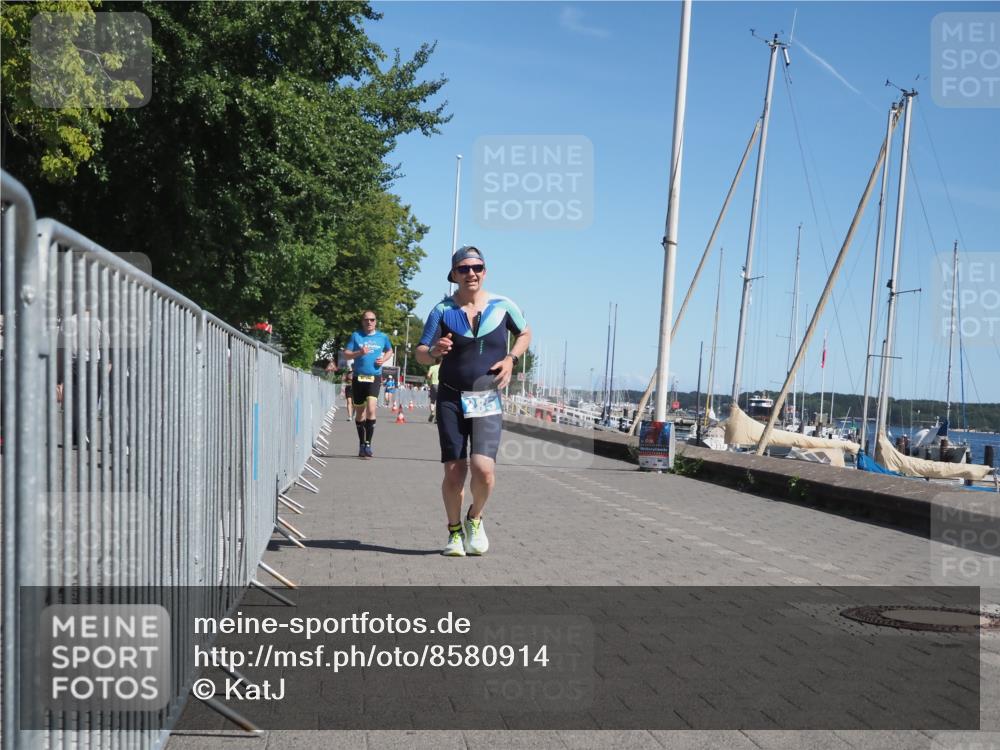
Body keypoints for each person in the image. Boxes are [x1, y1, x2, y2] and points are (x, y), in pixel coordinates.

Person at [416, 246, 531, 556]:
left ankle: (474, 518)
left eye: (477, 267)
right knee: (455, 472)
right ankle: (454, 533)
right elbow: (420, 353)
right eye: (464, 269)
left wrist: (510, 359)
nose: (471, 273)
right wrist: (434, 352)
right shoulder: (442, 311)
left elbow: (525, 333)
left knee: (484, 470)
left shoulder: (503, 305)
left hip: (485, 398)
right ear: (453, 275)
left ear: (485, 271)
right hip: (451, 397)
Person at [343, 311, 392, 459]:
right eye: (366, 320)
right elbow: (346, 354)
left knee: (371, 409)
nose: (369, 322)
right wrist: (359, 352)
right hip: (358, 378)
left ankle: (368, 444)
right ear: (362, 321)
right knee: (360, 413)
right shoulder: (356, 336)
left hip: (374, 377)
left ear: (376, 321)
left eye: (372, 320)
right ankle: (362, 443)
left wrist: (383, 359)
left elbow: (389, 350)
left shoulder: (382, 337)